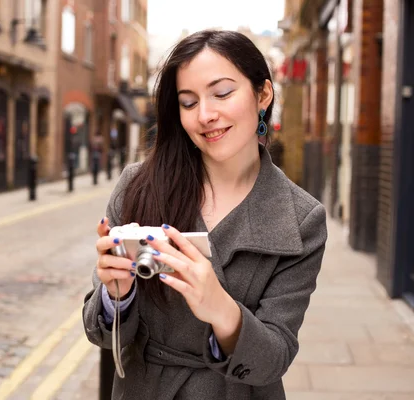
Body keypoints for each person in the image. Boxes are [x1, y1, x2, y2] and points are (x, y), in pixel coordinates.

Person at [82, 29, 327, 400]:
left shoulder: (302, 219)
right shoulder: (139, 185)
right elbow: (99, 334)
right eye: (188, 102)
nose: (206, 115)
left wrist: (222, 309)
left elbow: (275, 357)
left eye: (222, 93)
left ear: (262, 94)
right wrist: (117, 296)